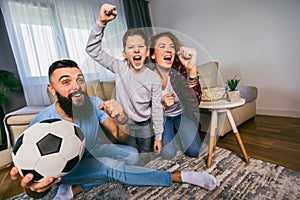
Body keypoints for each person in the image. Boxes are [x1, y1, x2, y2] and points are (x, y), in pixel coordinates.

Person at [10, 59, 216, 199]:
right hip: (67, 169)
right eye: (66, 82)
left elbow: (121, 134)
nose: (76, 87)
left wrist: (120, 116)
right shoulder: (40, 125)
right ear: (51, 89)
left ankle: (74, 189)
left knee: (133, 155)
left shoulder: (93, 102)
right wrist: (35, 191)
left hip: (92, 151)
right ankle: (179, 176)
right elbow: (33, 188)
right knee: (109, 166)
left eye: (80, 79)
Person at [86, 3, 163, 160]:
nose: (136, 50)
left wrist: (159, 136)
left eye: (140, 46)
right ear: (124, 53)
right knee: (131, 158)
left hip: (145, 126)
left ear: (147, 51)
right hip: (125, 124)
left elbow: (156, 108)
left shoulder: (154, 78)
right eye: (130, 47)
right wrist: (101, 23)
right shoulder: (119, 67)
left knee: (148, 158)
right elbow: (92, 50)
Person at [148, 31, 203, 160]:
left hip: (182, 114)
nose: (168, 50)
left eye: (171, 47)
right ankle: (173, 133)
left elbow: (195, 103)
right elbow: (143, 112)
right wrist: (161, 105)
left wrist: (192, 71)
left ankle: (180, 132)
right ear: (153, 55)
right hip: (163, 118)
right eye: (162, 46)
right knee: (168, 154)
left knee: (194, 151)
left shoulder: (180, 71)